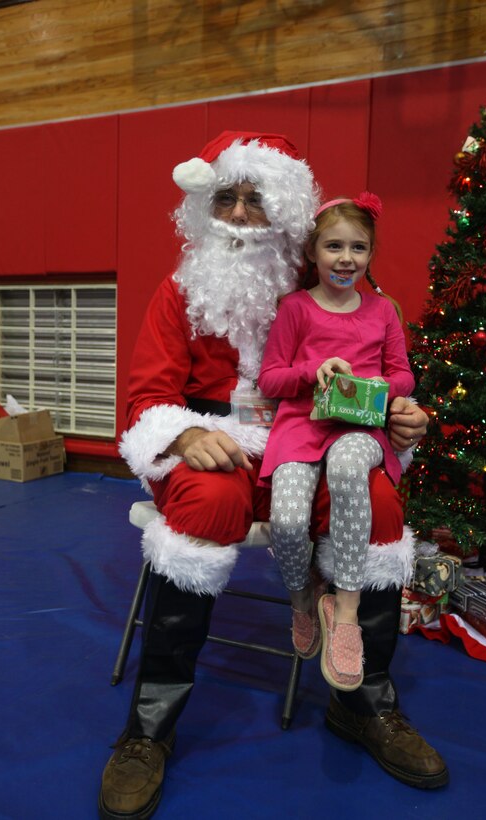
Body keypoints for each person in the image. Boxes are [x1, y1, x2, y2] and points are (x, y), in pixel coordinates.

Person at [98, 132, 447, 820]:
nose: (235, 212)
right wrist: (188, 433)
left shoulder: (324, 282)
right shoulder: (180, 291)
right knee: (203, 503)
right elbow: (145, 397)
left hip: (312, 439)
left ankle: (363, 704)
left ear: (285, 206)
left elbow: (379, 373)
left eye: (253, 198)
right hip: (217, 444)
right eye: (223, 197)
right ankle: (148, 732)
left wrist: (398, 418)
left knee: (377, 505)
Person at [257, 194, 415, 694]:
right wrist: (314, 371)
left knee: (348, 469)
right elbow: (271, 378)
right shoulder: (296, 309)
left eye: (359, 248)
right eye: (334, 246)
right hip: (301, 428)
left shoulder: (383, 311)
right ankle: (304, 596)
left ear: (370, 254)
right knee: (285, 518)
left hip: (360, 428)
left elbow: (403, 377)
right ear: (312, 251)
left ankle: (345, 607)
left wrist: (371, 388)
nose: (346, 258)